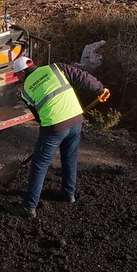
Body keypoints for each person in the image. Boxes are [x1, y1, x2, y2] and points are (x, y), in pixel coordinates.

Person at [11, 57, 109, 218]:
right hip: (76, 119)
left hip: (54, 127)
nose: (18, 79)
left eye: (17, 75)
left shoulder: (26, 91)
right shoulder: (56, 68)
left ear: (22, 72)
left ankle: (28, 208)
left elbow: (38, 116)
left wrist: (50, 133)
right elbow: (82, 76)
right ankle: (68, 194)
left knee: (39, 165)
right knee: (69, 157)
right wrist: (100, 89)